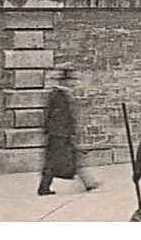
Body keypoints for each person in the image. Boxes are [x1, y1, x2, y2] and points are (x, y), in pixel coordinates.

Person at [37, 66, 97, 195]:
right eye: (70, 80)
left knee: (68, 159)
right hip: (60, 134)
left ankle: (87, 183)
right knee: (60, 161)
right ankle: (87, 183)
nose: (72, 83)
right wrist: (67, 132)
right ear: (64, 81)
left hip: (61, 134)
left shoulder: (62, 94)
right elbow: (55, 116)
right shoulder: (58, 95)